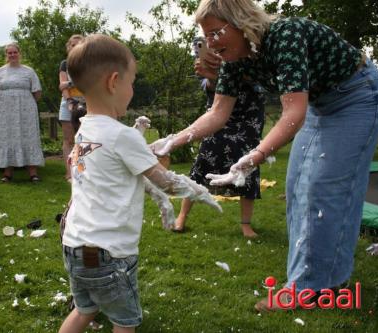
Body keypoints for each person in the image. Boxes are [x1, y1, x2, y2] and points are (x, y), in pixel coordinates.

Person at [151, 0, 378, 311]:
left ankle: (308, 290)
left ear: (241, 22)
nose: (210, 43)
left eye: (216, 32)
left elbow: (293, 112)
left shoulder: (284, 36)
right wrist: (173, 140)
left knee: (324, 190)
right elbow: (218, 113)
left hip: (357, 95)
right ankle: (321, 280)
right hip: (320, 103)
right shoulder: (235, 60)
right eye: (205, 36)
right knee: (297, 188)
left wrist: (252, 158)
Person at [59, 34, 220, 333]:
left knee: (84, 310)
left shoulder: (84, 132)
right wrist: (201, 190)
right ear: (114, 82)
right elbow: (167, 183)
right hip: (110, 253)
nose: (132, 89)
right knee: (124, 322)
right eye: (132, 82)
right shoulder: (124, 135)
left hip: (74, 247)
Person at [174, 41, 264, 237]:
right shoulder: (212, 61)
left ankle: (246, 225)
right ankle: (181, 216)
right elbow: (211, 89)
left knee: (248, 169)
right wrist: (211, 76)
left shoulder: (246, 53)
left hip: (247, 120)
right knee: (200, 167)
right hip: (217, 121)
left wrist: (221, 72)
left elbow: (254, 82)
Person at [0, 43, 44, 182]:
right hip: (4, 112)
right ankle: (7, 173)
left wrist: (26, 104)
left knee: (28, 136)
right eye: (9, 53)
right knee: (7, 137)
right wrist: (7, 102)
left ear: (20, 53)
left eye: (15, 52)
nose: (12, 55)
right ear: (6, 55)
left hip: (26, 111)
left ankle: (33, 173)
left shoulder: (29, 71)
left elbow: (37, 92)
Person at [58, 34, 85, 181]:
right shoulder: (64, 64)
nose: (76, 47)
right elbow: (62, 85)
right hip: (68, 101)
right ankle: (69, 173)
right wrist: (69, 100)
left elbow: (89, 83)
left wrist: (70, 82)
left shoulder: (89, 63)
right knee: (68, 139)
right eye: (73, 45)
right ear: (69, 47)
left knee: (83, 138)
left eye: (79, 44)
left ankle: (81, 170)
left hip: (87, 103)